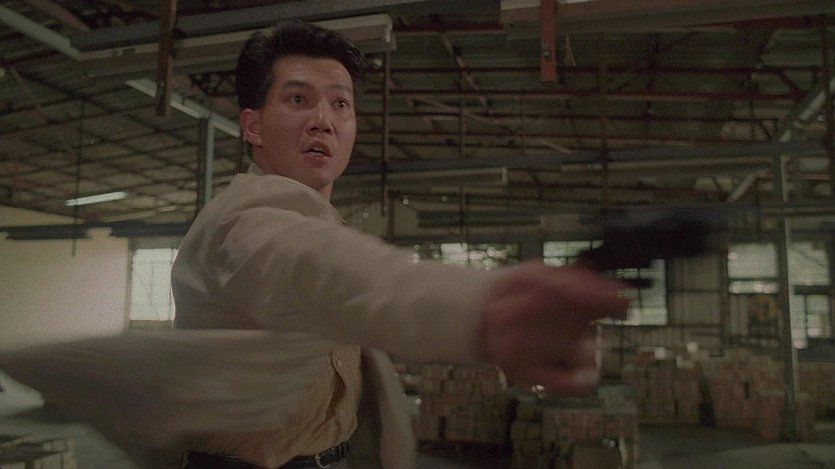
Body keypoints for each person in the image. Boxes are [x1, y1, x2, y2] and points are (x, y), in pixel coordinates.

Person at [0, 20, 627, 469]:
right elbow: (317, 269)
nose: (323, 118)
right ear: (252, 125)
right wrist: (480, 309)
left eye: (340, 104)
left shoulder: (326, 227)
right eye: (297, 99)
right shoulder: (244, 223)